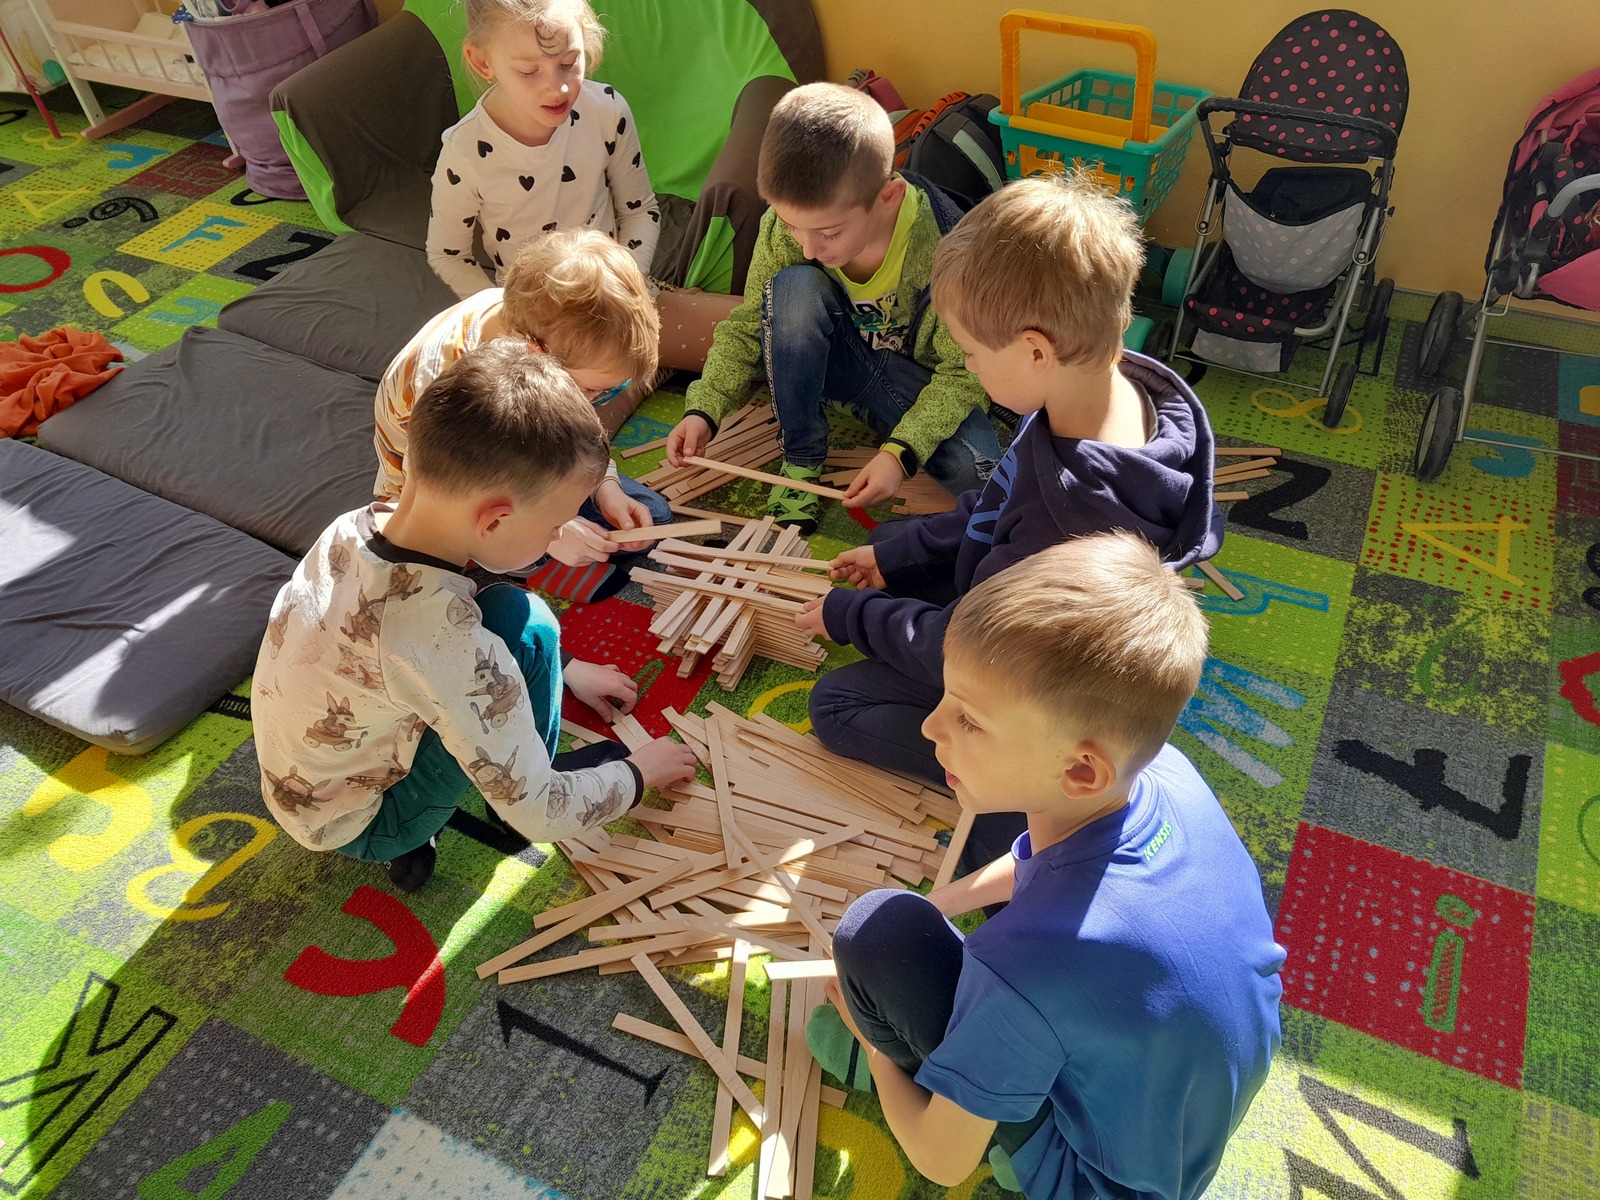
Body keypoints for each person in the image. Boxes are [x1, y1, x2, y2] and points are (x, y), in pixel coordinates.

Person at [806, 533, 1285, 1200]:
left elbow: (940, 1162)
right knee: (939, 938)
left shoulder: (1024, 966)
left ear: (1082, 770)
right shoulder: (1163, 773)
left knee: (876, 933)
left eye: (970, 721)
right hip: (1184, 1111)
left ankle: (1007, 1142)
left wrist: (875, 1043)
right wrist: (941, 906)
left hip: (1104, 1180)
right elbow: (1038, 861)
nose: (931, 727)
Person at [800, 174, 1223, 869]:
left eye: (970, 353)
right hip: (1021, 590)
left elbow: (969, 648)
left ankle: (1010, 808)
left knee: (838, 704)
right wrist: (899, 558)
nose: (967, 365)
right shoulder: (1110, 387)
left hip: (1030, 673)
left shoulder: (1070, 515)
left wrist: (850, 617)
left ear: (1033, 350)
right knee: (893, 545)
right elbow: (998, 501)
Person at [254, 340, 697, 893]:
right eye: (555, 524)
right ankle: (423, 827)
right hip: (368, 819)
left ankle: (438, 810)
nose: (558, 537)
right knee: (532, 626)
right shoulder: (444, 641)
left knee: (507, 611)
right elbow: (541, 814)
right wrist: (638, 774)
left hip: (301, 787)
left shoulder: (351, 526)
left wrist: (568, 670)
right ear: (492, 521)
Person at [663, 82, 1001, 534]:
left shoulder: (945, 245)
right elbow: (748, 322)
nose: (808, 248)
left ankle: (869, 414)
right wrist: (703, 409)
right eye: (791, 226)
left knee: (981, 473)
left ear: (887, 197)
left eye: (829, 233)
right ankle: (802, 454)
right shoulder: (792, 226)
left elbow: (964, 372)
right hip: (829, 360)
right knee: (794, 287)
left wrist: (899, 453)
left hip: (909, 380)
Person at [427, 0, 736, 422]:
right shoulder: (464, 151)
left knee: (765, 335)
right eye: (529, 71)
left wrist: (628, 286)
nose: (557, 88)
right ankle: (637, 377)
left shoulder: (606, 110)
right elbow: (447, 254)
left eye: (569, 62)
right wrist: (509, 322)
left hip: (620, 301)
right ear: (483, 63)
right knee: (564, 434)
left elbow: (640, 211)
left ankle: (639, 372)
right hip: (537, 332)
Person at [378, 229, 664, 603]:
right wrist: (554, 535)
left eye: (612, 390)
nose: (598, 401)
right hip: (446, 496)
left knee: (653, 516)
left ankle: (536, 548)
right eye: (593, 391)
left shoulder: (537, 331)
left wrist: (604, 487)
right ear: (536, 353)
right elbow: (444, 505)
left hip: (523, 457)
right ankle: (527, 560)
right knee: (486, 558)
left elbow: (574, 431)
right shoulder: (451, 387)